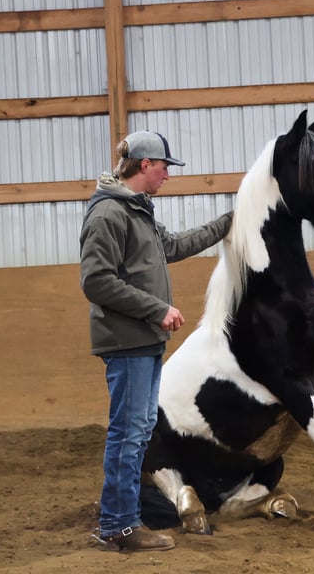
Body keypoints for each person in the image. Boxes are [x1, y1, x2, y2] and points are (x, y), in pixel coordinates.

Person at [80, 130, 232, 551]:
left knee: (138, 431)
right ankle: (119, 525)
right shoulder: (109, 214)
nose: (167, 175)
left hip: (142, 341)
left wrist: (226, 223)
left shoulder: (136, 210)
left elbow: (174, 245)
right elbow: (95, 280)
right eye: (164, 167)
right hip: (128, 341)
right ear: (145, 165)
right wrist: (156, 309)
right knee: (129, 434)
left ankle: (120, 521)